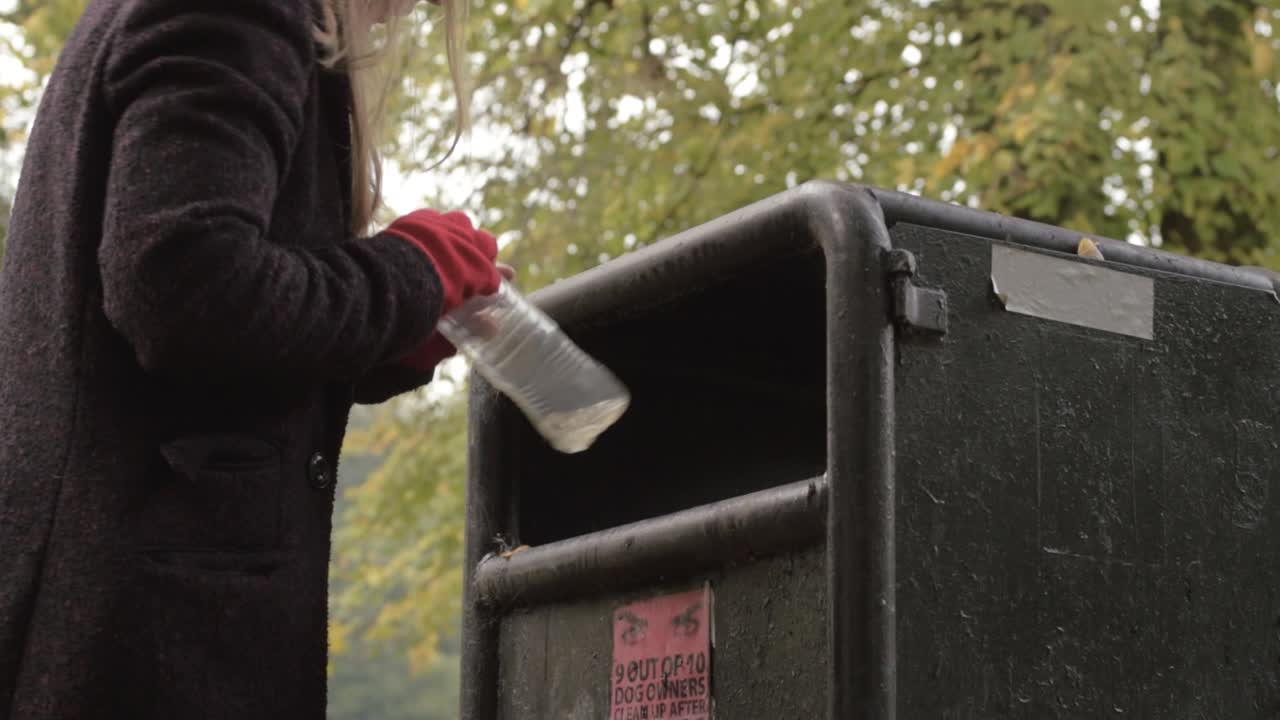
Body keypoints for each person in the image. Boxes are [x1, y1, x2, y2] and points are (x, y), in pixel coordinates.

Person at [0, 0, 504, 716]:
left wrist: (392, 337)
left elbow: (177, 335)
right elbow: (182, 286)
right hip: (142, 642)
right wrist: (412, 273)